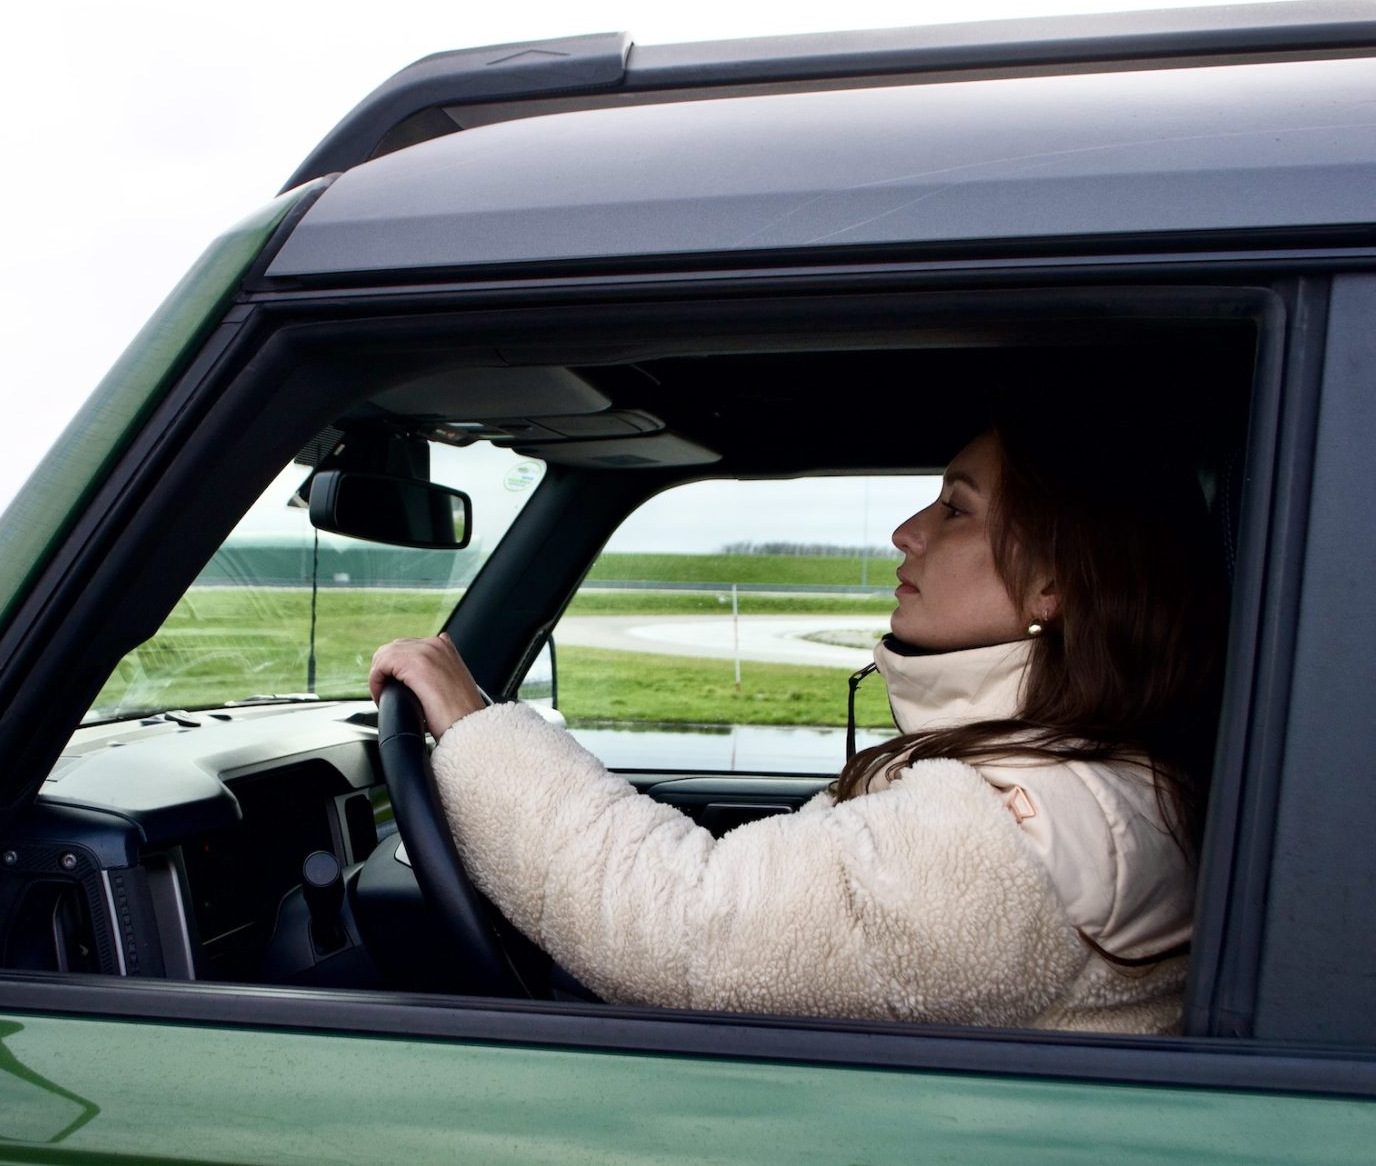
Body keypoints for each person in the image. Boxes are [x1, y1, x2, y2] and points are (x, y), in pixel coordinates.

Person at [369, 419, 1226, 1034]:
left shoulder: (1009, 832)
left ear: (1054, 584)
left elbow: (687, 925)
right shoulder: (1087, 777)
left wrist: (477, 729)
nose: (907, 531)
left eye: (957, 510)